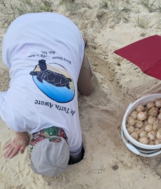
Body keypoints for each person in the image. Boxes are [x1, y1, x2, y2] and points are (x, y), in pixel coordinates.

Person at [0, 12, 95, 177]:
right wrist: (20, 133)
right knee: (87, 90)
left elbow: (76, 153)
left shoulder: (72, 134)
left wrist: (20, 133)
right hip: (30, 31)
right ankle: (75, 44)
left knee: (87, 90)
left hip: (37, 31)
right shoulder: (15, 117)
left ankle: (77, 44)